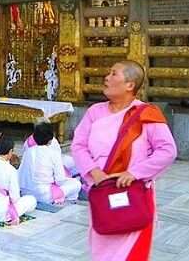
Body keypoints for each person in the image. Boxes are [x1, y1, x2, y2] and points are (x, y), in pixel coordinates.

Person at [71, 60, 177, 261]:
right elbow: (78, 145)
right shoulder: (95, 112)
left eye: (113, 74)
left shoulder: (147, 113)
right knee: (102, 250)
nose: (106, 78)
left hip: (134, 195)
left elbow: (167, 151)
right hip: (103, 193)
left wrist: (133, 173)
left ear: (130, 85)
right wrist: (94, 171)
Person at [19, 122, 81, 204]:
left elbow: (21, 174)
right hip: (44, 195)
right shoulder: (53, 154)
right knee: (76, 184)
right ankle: (69, 201)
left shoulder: (28, 152)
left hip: (26, 193)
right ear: (50, 139)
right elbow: (60, 180)